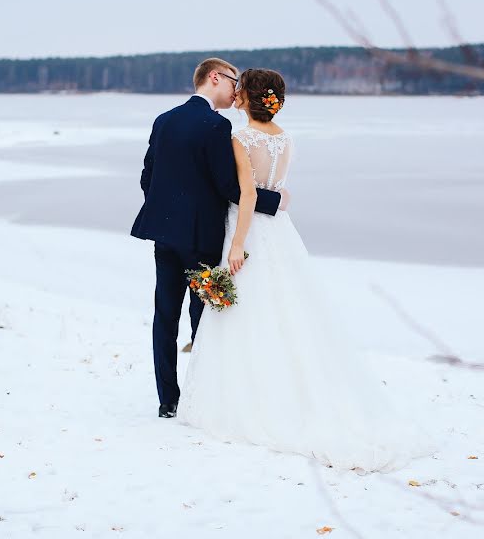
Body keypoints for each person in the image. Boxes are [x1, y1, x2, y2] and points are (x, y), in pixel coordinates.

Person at [177, 68, 433, 471]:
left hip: (250, 229)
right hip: (280, 230)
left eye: (241, 89)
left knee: (250, 308)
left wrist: (239, 243)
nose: (236, 93)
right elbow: (275, 190)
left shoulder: (240, 138)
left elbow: (246, 194)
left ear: (249, 97)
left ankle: (255, 396)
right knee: (289, 307)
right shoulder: (285, 138)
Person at [131, 58, 288, 419]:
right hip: (201, 238)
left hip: (163, 235)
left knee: (164, 318)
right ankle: (201, 398)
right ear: (214, 77)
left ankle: (168, 401)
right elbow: (231, 188)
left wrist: (164, 212)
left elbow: (147, 176)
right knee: (204, 319)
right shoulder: (216, 127)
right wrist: (275, 201)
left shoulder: (164, 119)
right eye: (233, 80)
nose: (237, 89)